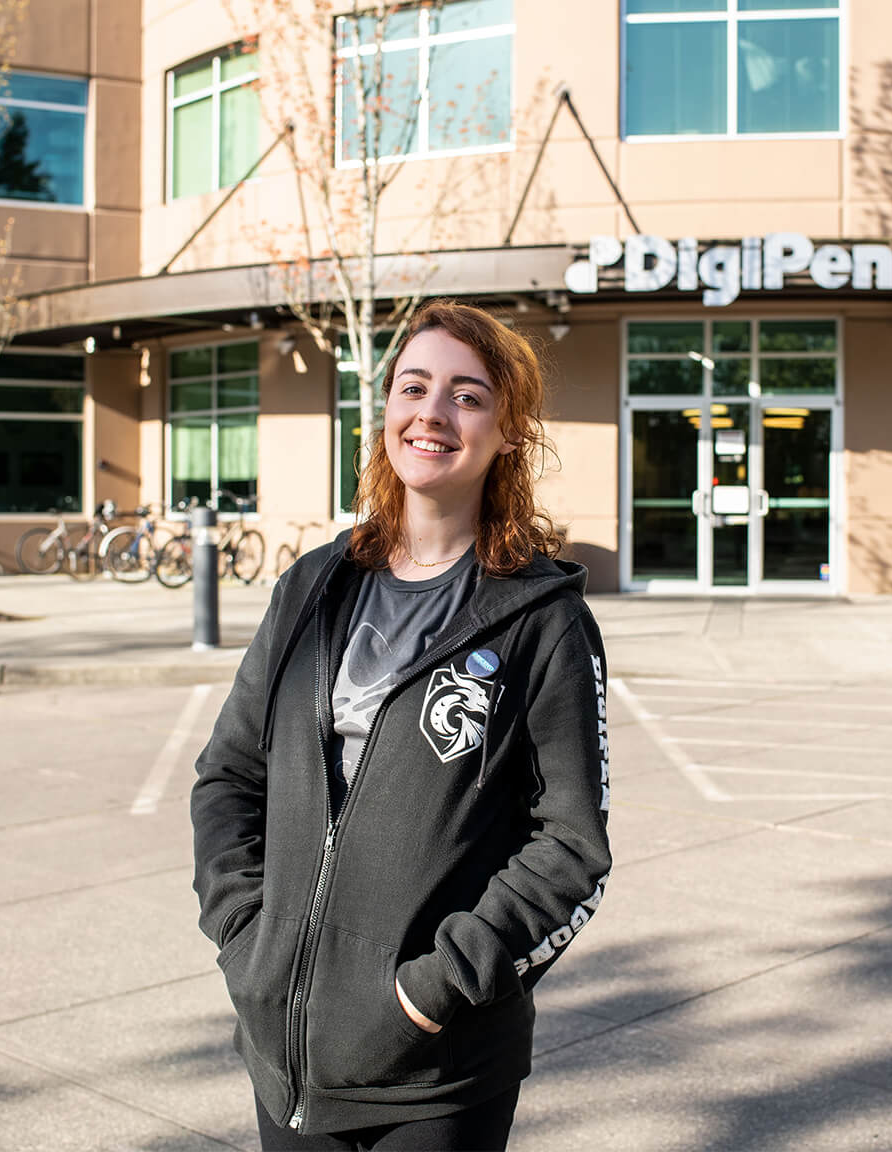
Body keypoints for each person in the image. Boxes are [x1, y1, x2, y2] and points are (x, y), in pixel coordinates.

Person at [191, 300, 612, 1150]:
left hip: (437, 1072)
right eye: (413, 387)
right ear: (384, 409)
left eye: (467, 396)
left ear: (506, 432)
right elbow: (230, 776)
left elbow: (570, 848)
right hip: (287, 1052)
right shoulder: (313, 587)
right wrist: (247, 940)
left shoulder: (538, 617)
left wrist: (435, 991)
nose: (431, 413)